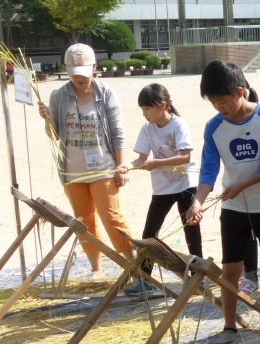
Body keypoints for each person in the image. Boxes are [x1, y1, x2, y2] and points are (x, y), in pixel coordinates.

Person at [185, 60, 260, 344]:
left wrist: (241, 185)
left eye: (223, 101)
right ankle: (229, 326)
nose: (219, 108)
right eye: (213, 103)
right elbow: (209, 169)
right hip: (233, 208)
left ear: (239, 91)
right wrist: (197, 201)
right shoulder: (214, 127)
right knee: (231, 269)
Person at [37, 43, 134, 276]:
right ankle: (96, 271)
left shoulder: (106, 94)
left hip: (103, 168)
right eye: (74, 74)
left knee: (112, 218)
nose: (79, 78)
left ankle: (134, 268)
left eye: (84, 73)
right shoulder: (59, 95)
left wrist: (121, 167)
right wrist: (47, 119)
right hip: (72, 171)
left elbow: (117, 132)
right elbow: (56, 136)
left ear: (94, 67)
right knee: (84, 223)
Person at [118, 84, 202, 296]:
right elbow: (140, 159)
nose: (144, 114)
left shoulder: (178, 125)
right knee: (149, 234)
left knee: (191, 229)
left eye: (147, 108)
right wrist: (127, 166)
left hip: (186, 184)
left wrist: (156, 164)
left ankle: (198, 277)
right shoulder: (147, 128)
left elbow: (186, 157)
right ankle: (146, 279)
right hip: (163, 188)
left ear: (162, 105)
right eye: (143, 109)